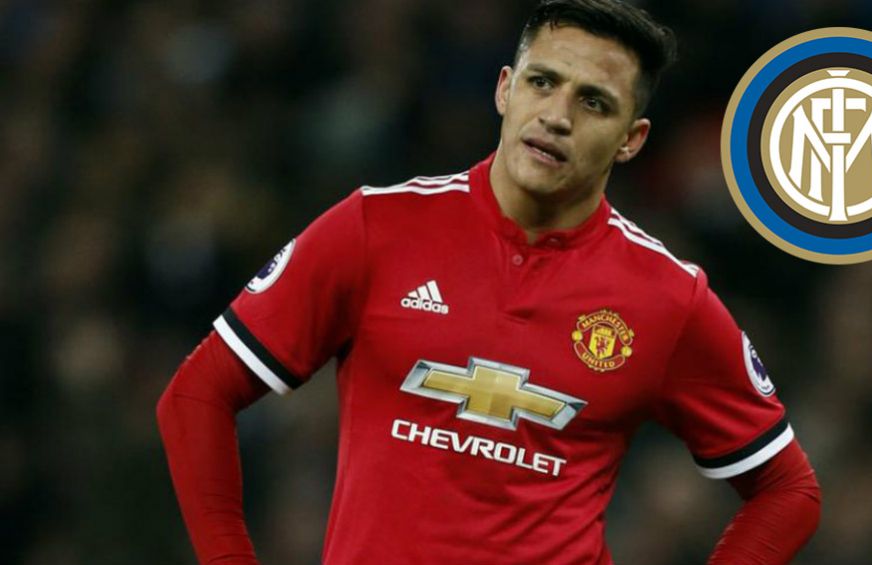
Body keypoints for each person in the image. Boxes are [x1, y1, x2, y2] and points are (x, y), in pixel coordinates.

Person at [157, 1, 821, 563]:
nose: (556, 116)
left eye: (593, 102)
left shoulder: (667, 297)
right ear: (505, 89)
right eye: (543, 82)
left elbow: (788, 489)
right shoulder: (376, 227)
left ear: (631, 138)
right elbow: (196, 395)